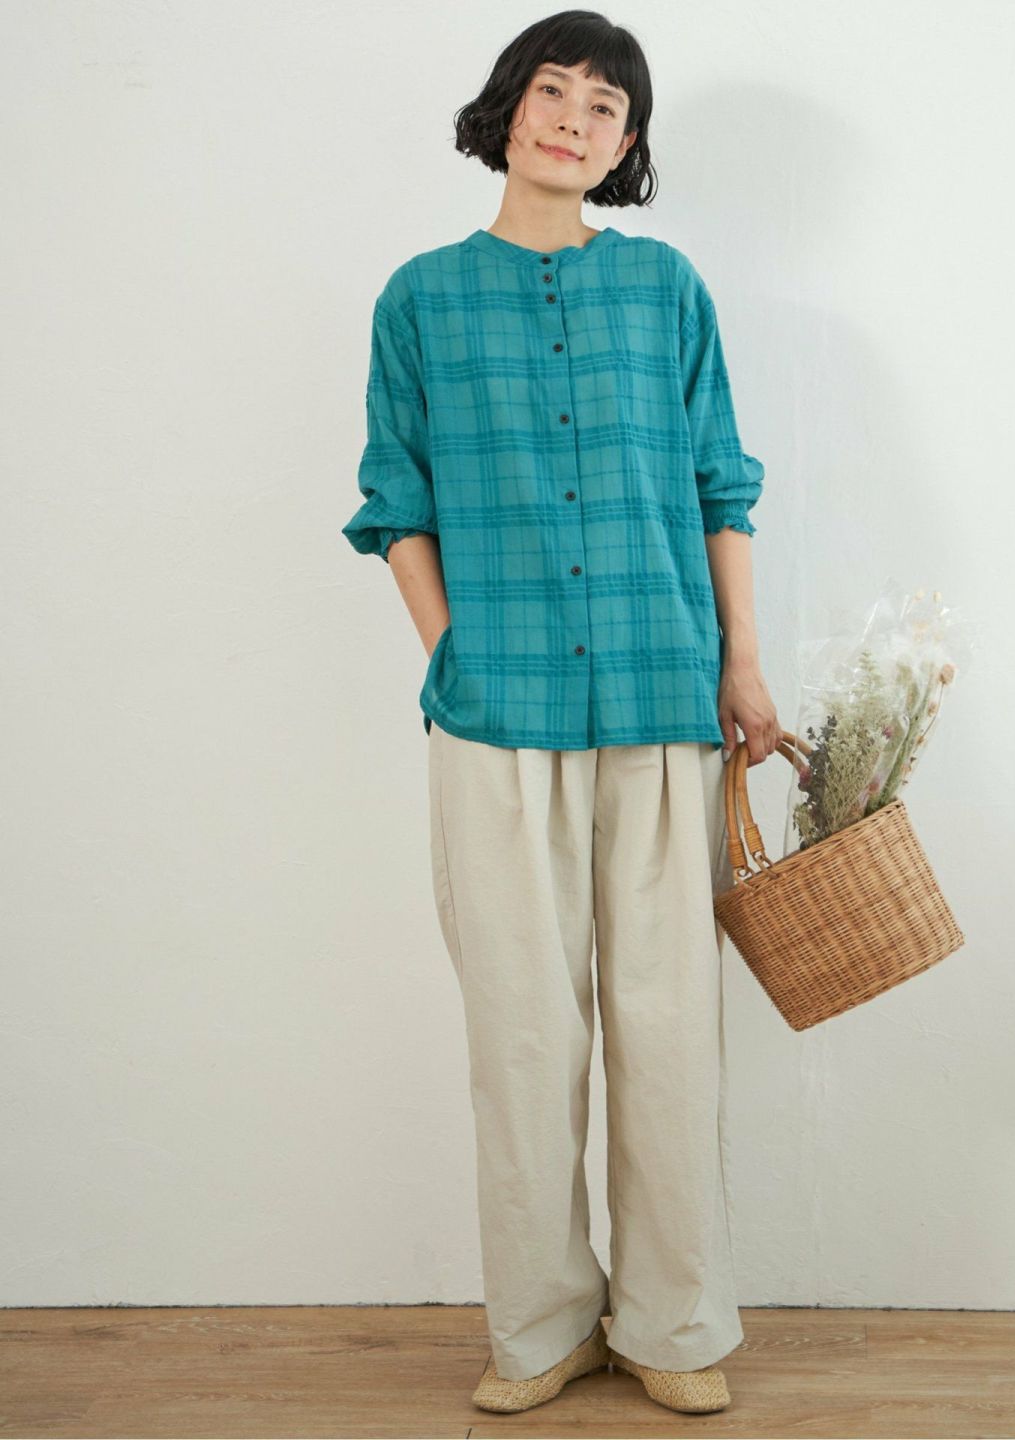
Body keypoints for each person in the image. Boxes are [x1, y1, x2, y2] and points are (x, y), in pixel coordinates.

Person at [342, 8, 780, 1417]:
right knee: (524, 1035)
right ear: (508, 108)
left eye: (606, 107)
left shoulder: (665, 290)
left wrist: (743, 665)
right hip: (497, 713)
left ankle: (673, 1327)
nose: (575, 121)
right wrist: (451, 654)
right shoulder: (420, 298)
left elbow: (720, 484)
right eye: (554, 91)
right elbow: (396, 498)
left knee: (669, 1028)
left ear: (627, 144)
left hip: (660, 689)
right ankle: (540, 1330)